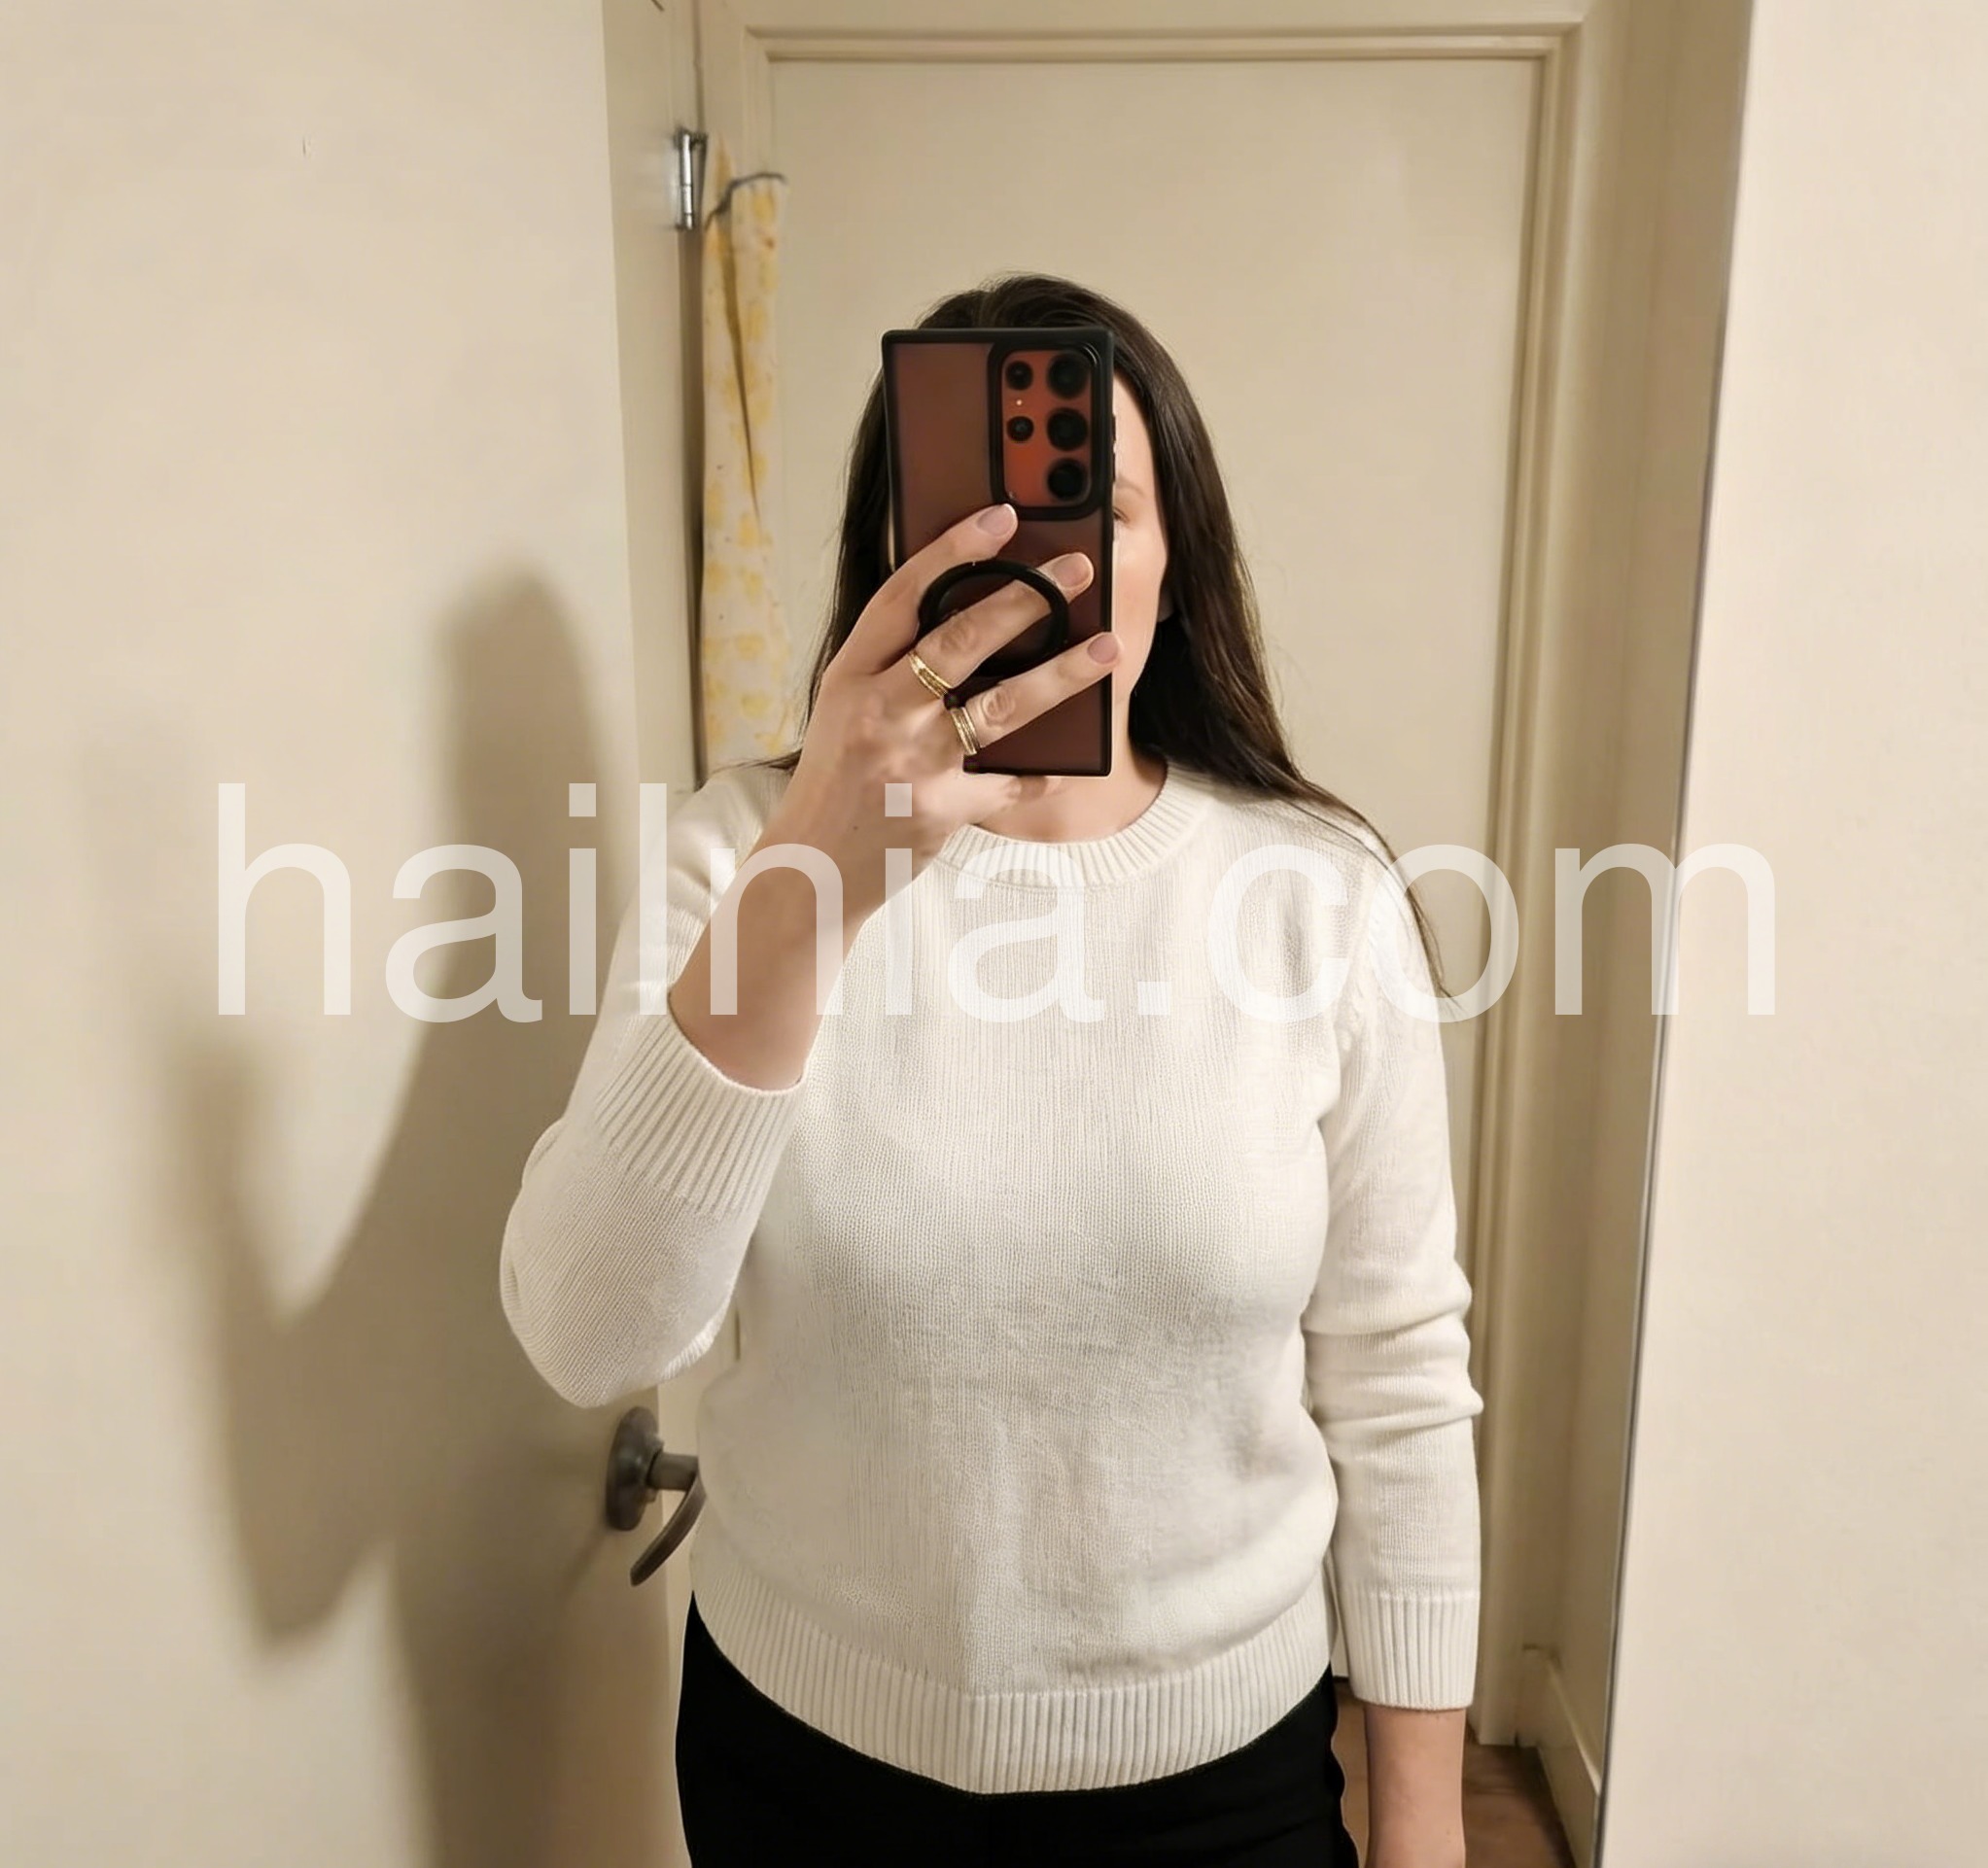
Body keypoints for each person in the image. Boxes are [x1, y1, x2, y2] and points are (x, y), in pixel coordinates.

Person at [500, 273, 1482, 1868]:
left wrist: (1425, 1826)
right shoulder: (741, 848)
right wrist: (814, 874)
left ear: (1174, 560)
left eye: (1100, 508)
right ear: (895, 560)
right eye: (975, 519)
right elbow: (589, 1331)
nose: (1036, 565)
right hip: (804, 1758)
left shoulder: (1316, 893)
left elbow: (1397, 1373)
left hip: (1220, 1775)